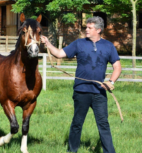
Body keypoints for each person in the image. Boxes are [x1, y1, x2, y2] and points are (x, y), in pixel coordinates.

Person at [41, 16, 122, 153]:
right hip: (81, 91)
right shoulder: (79, 43)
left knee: (103, 124)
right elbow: (60, 54)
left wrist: (111, 81)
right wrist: (48, 43)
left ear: (98, 30)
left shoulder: (108, 46)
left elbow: (117, 67)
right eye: (86, 27)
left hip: (99, 92)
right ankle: (72, 151)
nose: (86, 30)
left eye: (90, 28)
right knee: (77, 123)